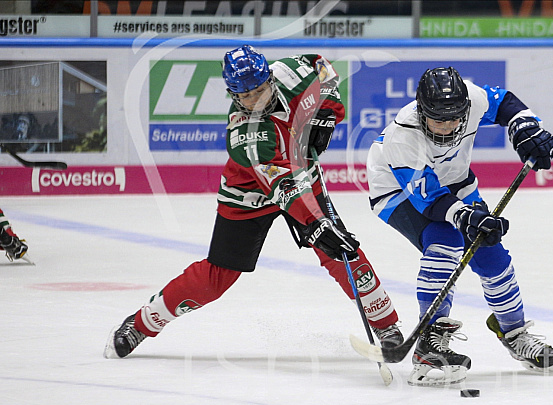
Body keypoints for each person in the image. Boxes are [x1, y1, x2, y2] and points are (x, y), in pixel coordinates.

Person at [105, 45, 403, 359]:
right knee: (215, 278)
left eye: (259, 90)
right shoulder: (246, 132)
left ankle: (385, 325)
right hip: (250, 196)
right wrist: (316, 227)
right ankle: (142, 322)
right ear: (232, 94)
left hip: (300, 175)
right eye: (244, 96)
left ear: (269, 78)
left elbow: (322, 67)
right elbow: (282, 188)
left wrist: (328, 111)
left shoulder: (290, 71)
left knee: (343, 252)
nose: (254, 99)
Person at [366, 66, 553, 386]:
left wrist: (526, 128)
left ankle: (513, 332)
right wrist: (466, 216)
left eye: (454, 118)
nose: (447, 127)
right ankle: (429, 343)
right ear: (421, 111)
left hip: (455, 181)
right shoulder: (403, 135)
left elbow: (505, 104)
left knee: (491, 252)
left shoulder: (471, 99)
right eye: (438, 120)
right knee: (445, 240)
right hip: (396, 190)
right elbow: (430, 201)